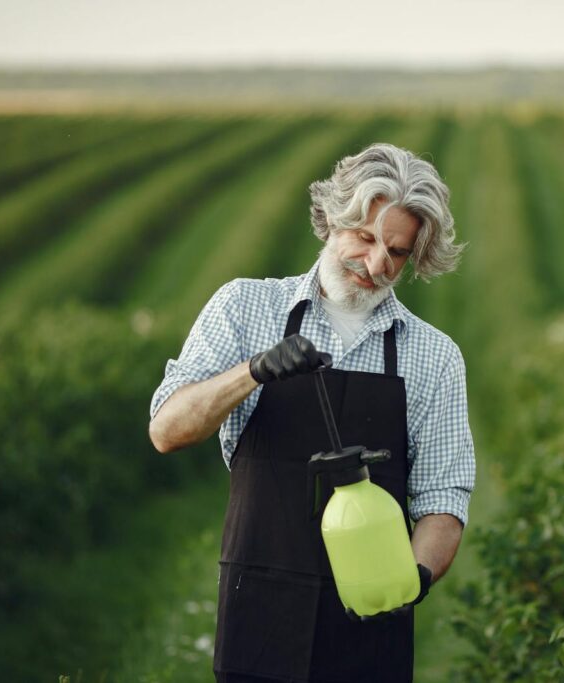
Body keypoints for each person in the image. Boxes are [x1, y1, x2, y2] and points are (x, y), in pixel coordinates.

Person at [148, 142, 475, 682]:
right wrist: (252, 371)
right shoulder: (244, 307)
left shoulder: (433, 355)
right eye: (364, 238)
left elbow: (443, 498)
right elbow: (167, 430)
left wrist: (412, 579)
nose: (375, 264)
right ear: (329, 219)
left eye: (395, 252)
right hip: (259, 611)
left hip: (372, 620)